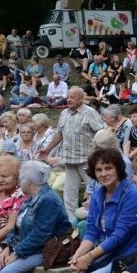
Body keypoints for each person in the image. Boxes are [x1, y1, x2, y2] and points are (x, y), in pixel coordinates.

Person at [40, 87, 105, 217]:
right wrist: (47, 149)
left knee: (95, 191)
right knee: (69, 195)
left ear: (81, 99)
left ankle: (98, 219)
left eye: (72, 97)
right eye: (68, 97)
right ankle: (72, 223)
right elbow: (59, 134)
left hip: (86, 160)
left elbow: (101, 133)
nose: (69, 100)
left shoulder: (90, 113)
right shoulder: (64, 113)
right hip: (69, 159)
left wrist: (97, 155)